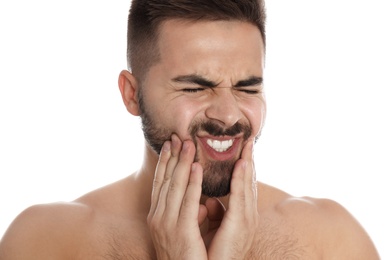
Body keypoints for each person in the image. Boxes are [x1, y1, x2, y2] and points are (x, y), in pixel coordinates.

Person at [0, 0, 380, 259]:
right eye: (196, 87)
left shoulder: (332, 241)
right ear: (132, 95)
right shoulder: (47, 241)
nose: (229, 115)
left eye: (248, 87)